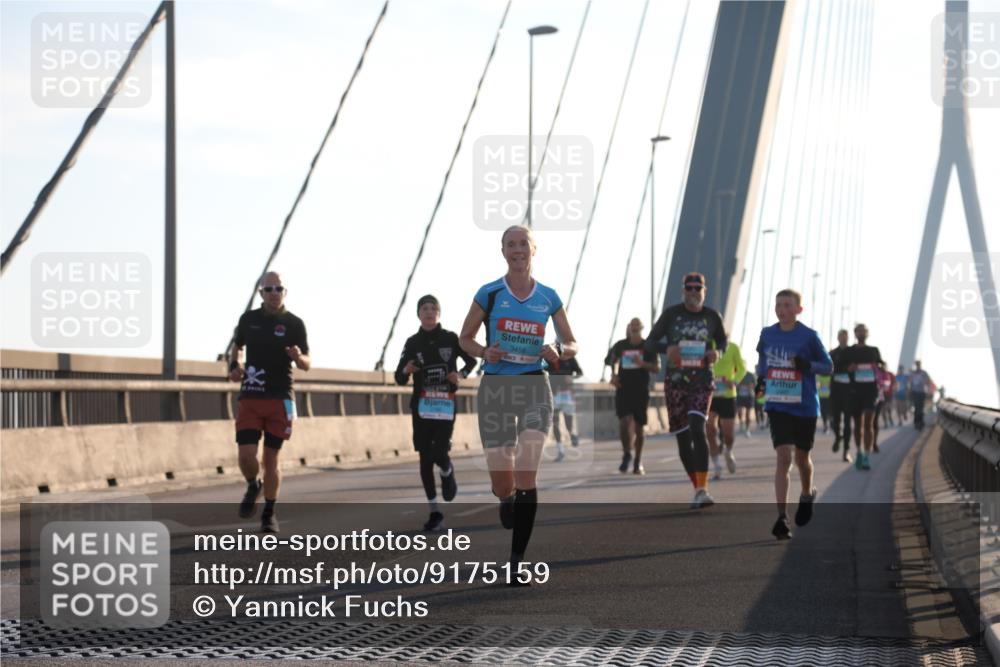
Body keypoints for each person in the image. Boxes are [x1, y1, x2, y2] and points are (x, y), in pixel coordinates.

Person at [459, 225, 578, 583]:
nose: (517, 250)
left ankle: (517, 562)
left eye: (523, 243)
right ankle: (504, 498)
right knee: (503, 483)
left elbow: (572, 343)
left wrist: (558, 349)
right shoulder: (490, 293)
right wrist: (484, 351)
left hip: (533, 386)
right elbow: (465, 338)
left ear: (533, 250)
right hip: (496, 389)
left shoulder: (548, 297)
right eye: (510, 244)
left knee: (527, 475)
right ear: (503, 252)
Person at [229, 271, 311, 533]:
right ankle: (253, 484)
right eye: (269, 289)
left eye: (278, 288)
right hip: (251, 395)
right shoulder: (248, 319)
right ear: (260, 293)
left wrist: (298, 357)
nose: (274, 293)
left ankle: (269, 513)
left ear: (285, 292)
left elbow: (307, 363)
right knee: (246, 456)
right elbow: (237, 346)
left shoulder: (294, 324)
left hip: (280, 397)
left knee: (271, 459)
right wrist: (234, 365)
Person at [644, 272, 727, 509]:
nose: (692, 292)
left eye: (697, 288)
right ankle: (697, 486)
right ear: (683, 291)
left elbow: (722, 341)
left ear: (704, 291)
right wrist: (667, 349)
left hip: (702, 379)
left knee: (697, 427)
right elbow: (649, 342)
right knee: (683, 438)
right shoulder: (671, 314)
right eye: (688, 287)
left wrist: (717, 352)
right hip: (676, 382)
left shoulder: (712, 316)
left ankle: (703, 489)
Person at [395, 295, 477, 532]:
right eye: (424, 308)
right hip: (422, 408)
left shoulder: (450, 338)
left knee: (439, 453)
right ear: (418, 314)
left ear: (439, 313)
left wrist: (459, 375)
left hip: (445, 406)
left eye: (433, 308)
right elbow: (399, 378)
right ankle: (435, 512)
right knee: (424, 459)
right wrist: (406, 369)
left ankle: (447, 470)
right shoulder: (412, 343)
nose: (429, 312)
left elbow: (471, 362)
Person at [755, 289, 832, 540]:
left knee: (802, 458)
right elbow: (762, 362)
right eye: (778, 305)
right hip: (777, 404)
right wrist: (761, 380)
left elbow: (828, 367)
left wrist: (807, 365)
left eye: (787, 305)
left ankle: (807, 494)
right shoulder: (767, 334)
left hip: (805, 405)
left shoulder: (809, 336)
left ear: (799, 309)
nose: (782, 309)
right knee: (783, 457)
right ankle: (782, 517)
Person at [606, 318, 660, 474]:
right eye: (632, 325)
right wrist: (613, 375)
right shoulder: (620, 345)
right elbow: (612, 360)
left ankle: (638, 460)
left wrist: (642, 364)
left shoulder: (648, 346)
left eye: (637, 325)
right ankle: (627, 453)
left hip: (641, 390)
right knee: (624, 423)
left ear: (642, 327)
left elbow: (657, 368)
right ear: (629, 327)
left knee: (639, 427)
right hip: (623, 389)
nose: (634, 327)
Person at [848, 323, 884, 470]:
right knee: (858, 425)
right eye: (859, 331)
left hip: (871, 390)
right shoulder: (850, 351)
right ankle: (859, 452)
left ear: (867, 334)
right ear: (855, 333)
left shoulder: (873, 350)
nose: (862, 334)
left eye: (864, 331)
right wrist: (849, 368)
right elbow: (841, 367)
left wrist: (879, 366)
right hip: (855, 390)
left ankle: (866, 457)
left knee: (869, 422)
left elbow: (882, 366)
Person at [708, 341, 745, 478]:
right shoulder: (706, 344)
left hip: (727, 395)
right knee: (710, 430)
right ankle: (717, 465)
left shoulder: (733, 347)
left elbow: (742, 368)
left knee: (728, 434)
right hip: (709, 394)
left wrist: (734, 381)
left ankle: (728, 451)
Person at [548, 354, 583, 461]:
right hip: (553, 394)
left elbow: (580, 372)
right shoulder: (548, 357)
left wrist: (572, 377)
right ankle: (561, 451)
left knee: (568, 421)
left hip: (567, 394)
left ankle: (572, 434)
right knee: (555, 423)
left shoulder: (569, 357)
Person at [828, 329, 853, 463]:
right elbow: (828, 369)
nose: (843, 338)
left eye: (845, 336)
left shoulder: (853, 352)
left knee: (848, 422)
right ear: (838, 338)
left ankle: (846, 451)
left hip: (849, 392)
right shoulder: (833, 353)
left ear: (848, 338)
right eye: (841, 336)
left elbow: (855, 368)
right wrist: (845, 369)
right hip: (836, 391)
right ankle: (838, 437)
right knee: (835, 421)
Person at [909, 360, 934, 430]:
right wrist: (909, 391)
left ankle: (921, 422)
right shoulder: (913, 373)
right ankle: (916, 422)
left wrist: (929, 390)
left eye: (919, 364)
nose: (918, 365)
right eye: (917, 364)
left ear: (920, 365)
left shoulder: (924, 373)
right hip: (915, 392)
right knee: (916, 407)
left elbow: (928, 381)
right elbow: (910, 382)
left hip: (922, 392)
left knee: (921, 408)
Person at [737, 370, 756, 437]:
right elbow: (734, 383)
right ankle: (741, 423)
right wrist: (738, 385)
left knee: (748, 414)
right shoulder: (737, 373)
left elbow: (755, 384)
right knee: (739, 412)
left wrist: (751, 386)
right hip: (739, 396)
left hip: (749, 396)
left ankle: (747, 429)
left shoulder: (750, 375)